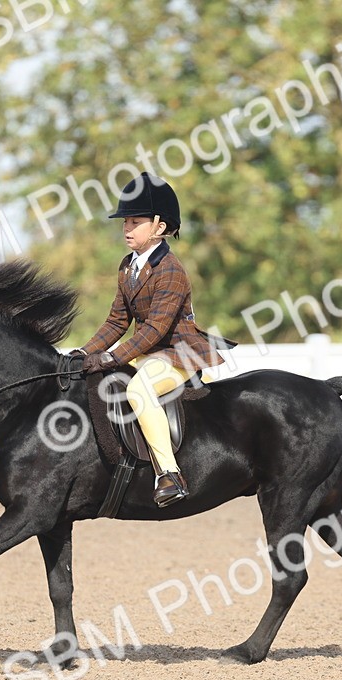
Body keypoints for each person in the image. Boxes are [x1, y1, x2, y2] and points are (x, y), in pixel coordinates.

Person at [79, 173, 235, 507]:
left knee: (138, 390)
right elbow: (117, 320)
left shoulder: (171, 271)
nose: (127, 228)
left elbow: (155, 330)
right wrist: (84, 352)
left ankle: (169, 473)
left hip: (178, 355)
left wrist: (113, 357)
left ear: (160, 227)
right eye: (125, 222)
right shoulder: (127, 267)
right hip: (146, 354)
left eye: (136, 222)